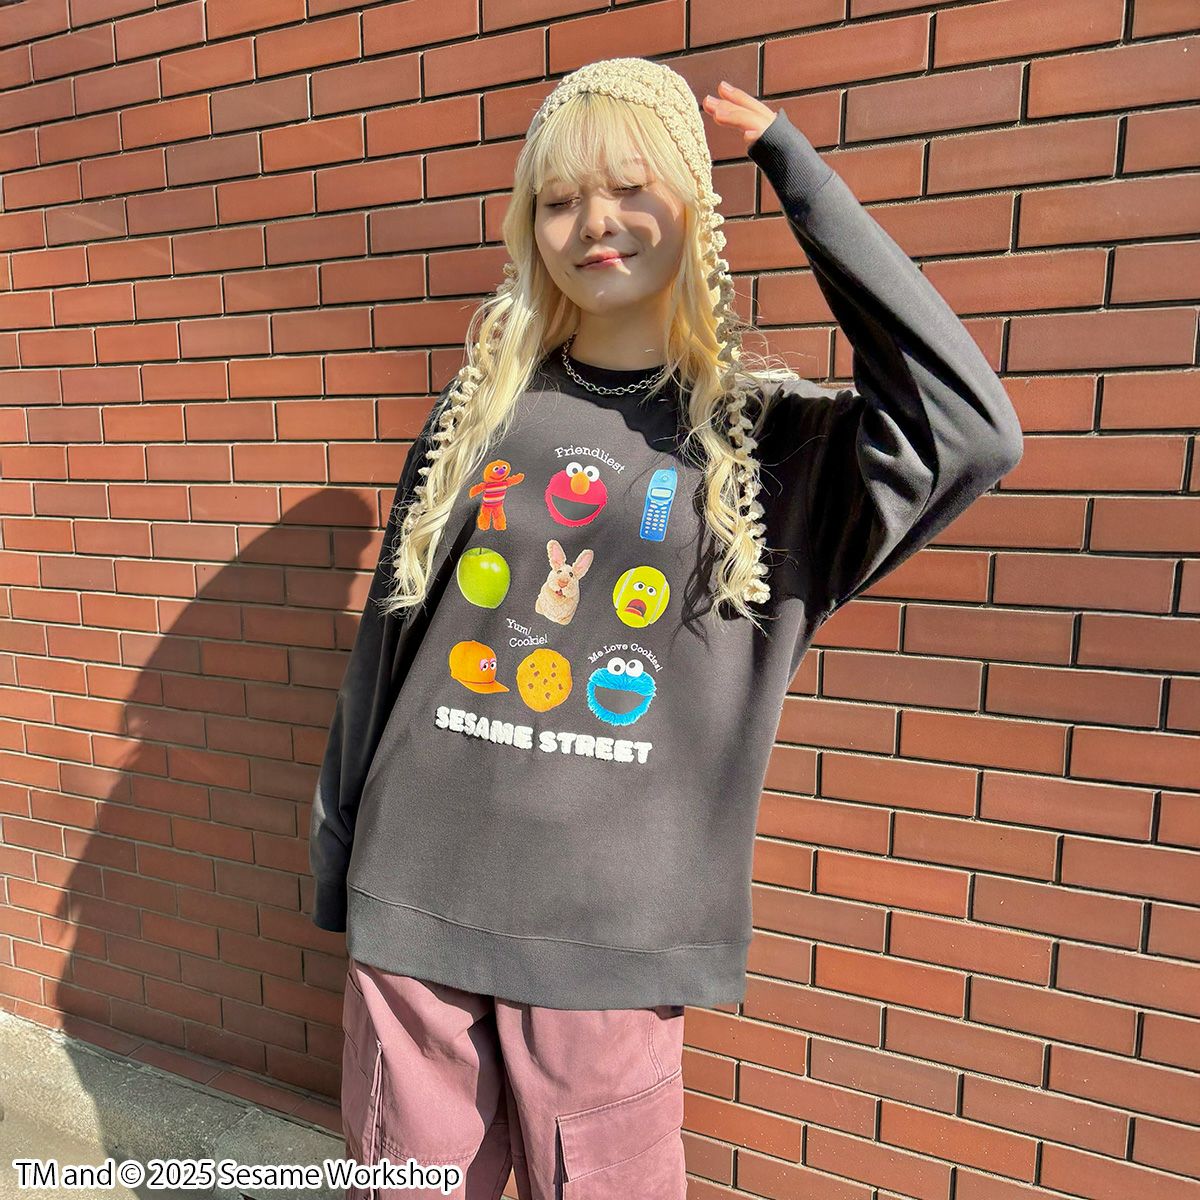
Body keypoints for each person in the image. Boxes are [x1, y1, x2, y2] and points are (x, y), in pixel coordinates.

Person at [309, 57, 1024, 1200]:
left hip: (609, 942)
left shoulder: (771, 449)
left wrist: (797, 174)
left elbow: (971, 430)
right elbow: (391, 644)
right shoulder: (481, 409)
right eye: (559, 198)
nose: (594, 221)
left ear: (696, 201)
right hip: (415, 912)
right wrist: (340, 860)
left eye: (632, 186)